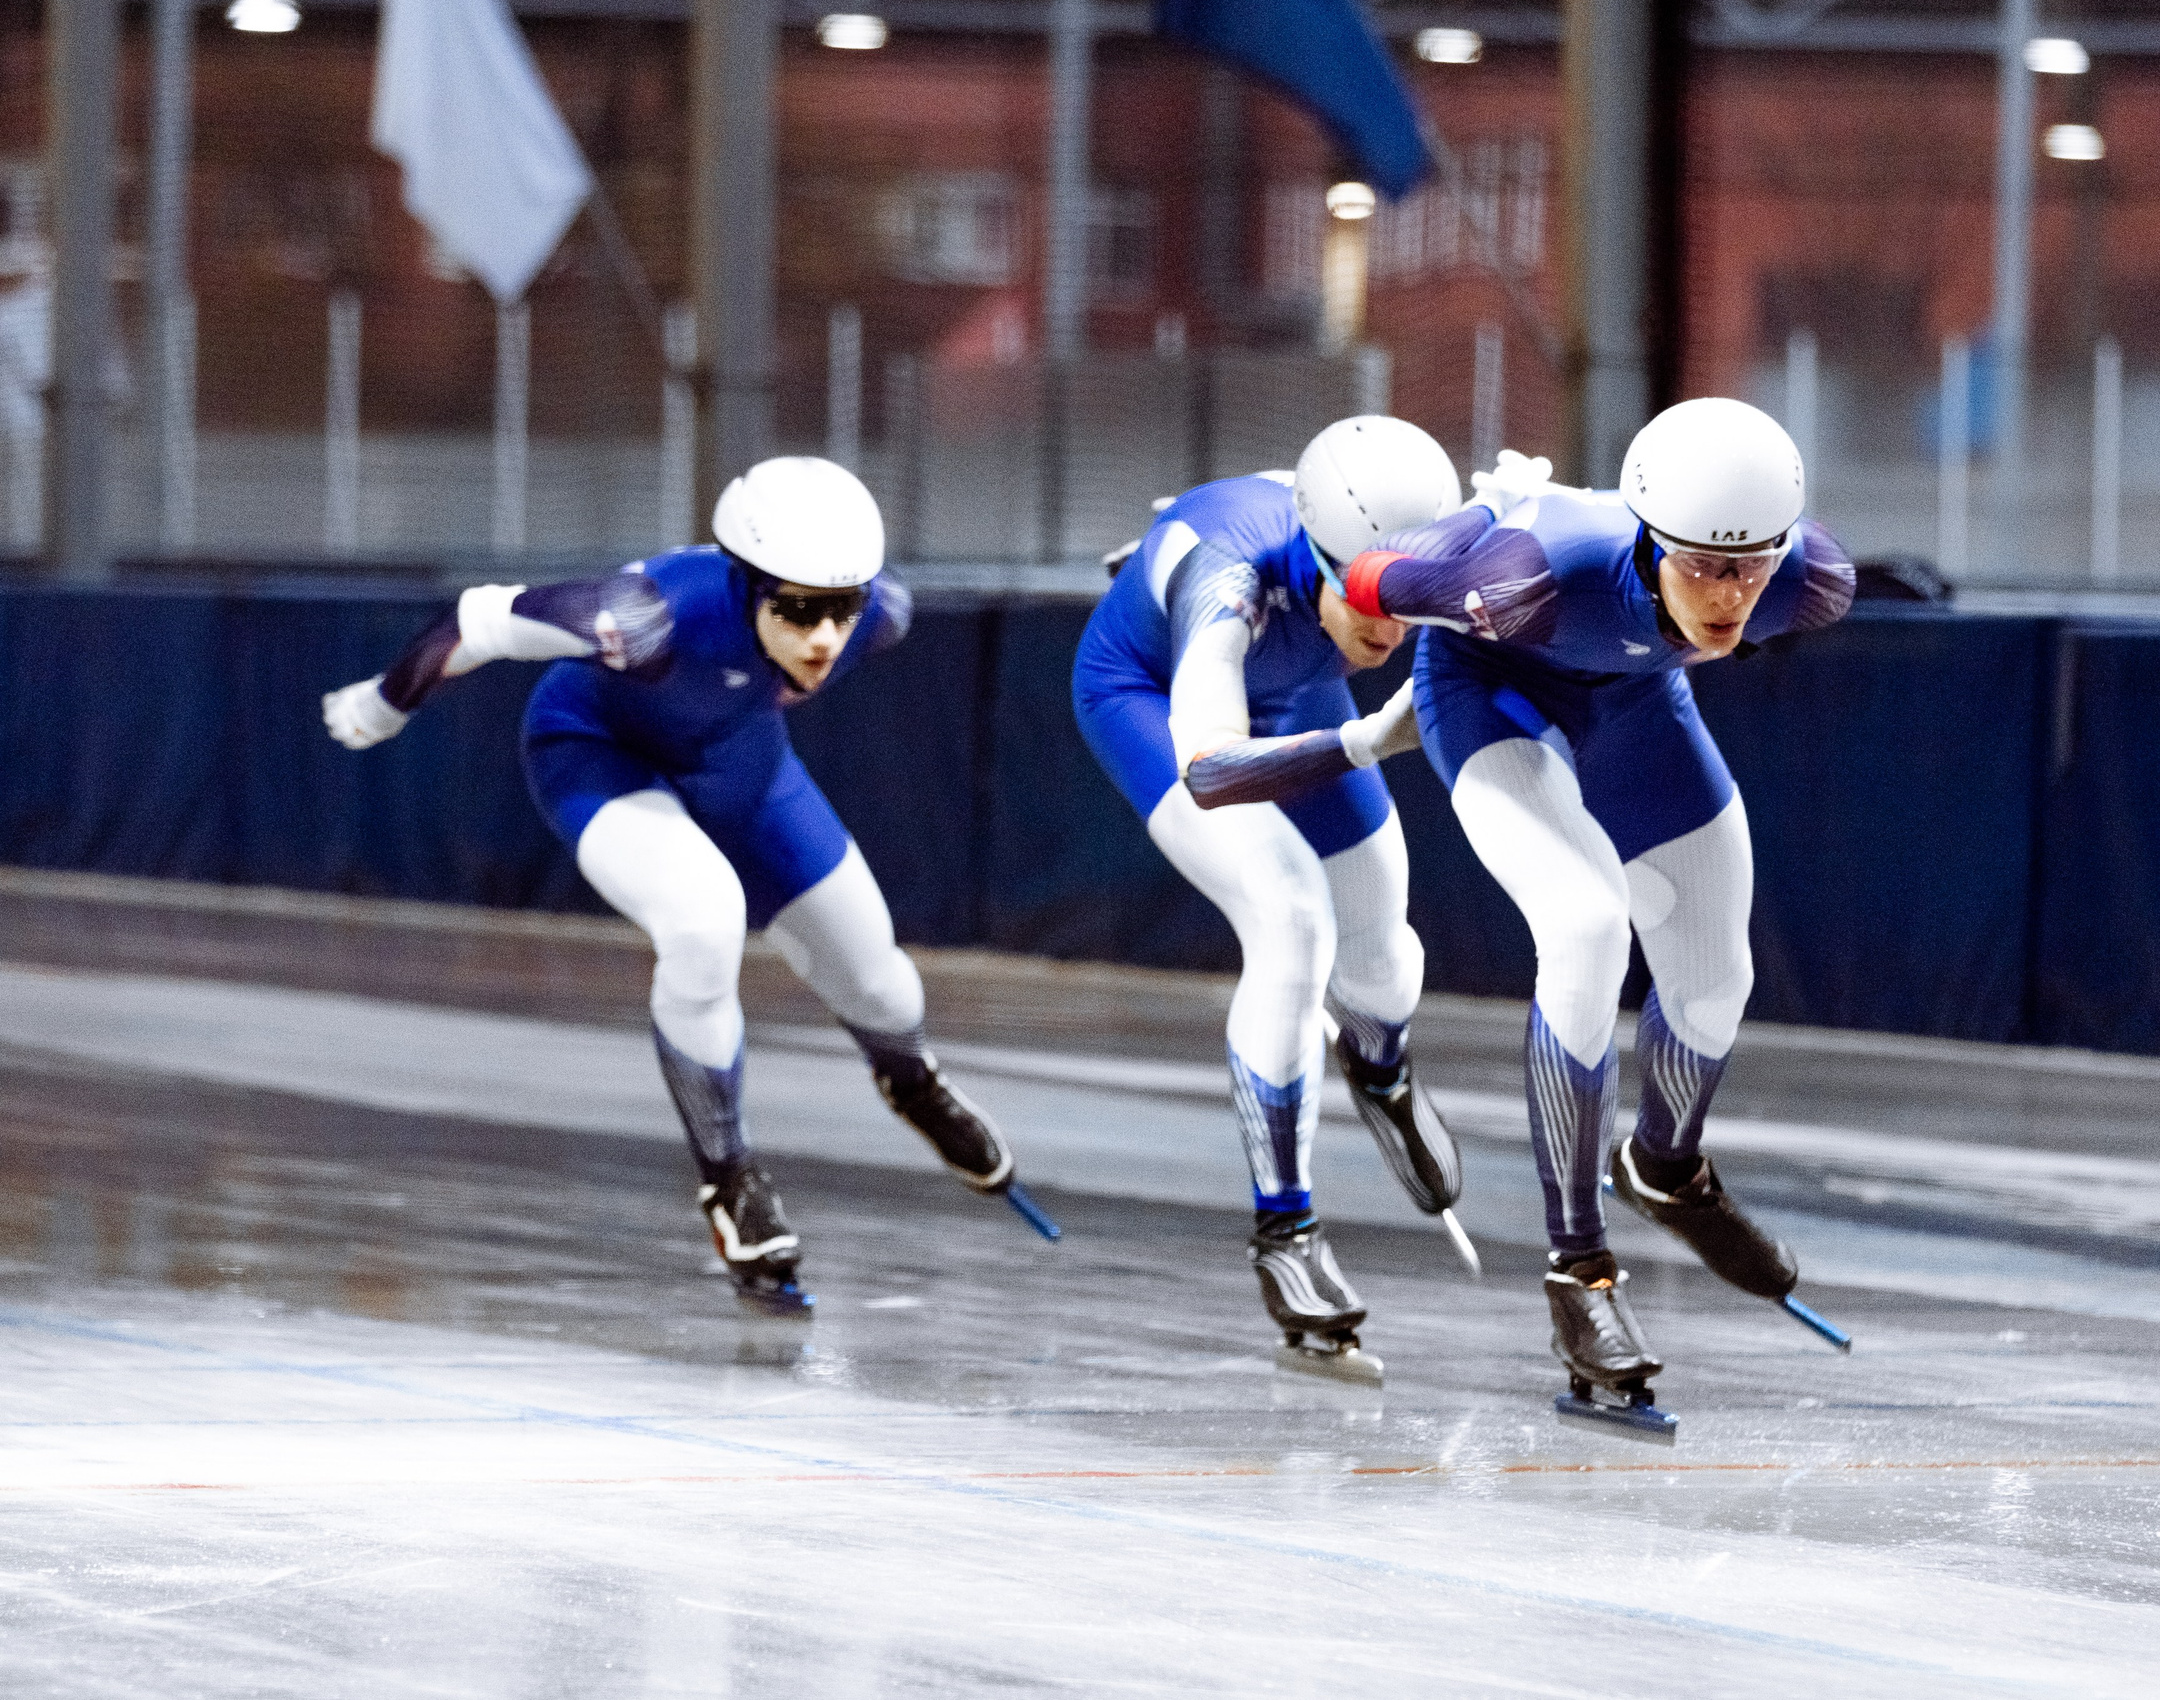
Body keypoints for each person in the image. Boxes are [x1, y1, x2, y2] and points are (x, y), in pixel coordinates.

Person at [320, 457, 1047, 1315]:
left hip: (738, 761)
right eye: (800, 610)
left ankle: (911, 1078)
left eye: (839, 609)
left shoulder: (881, 616)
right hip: (598, 750)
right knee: (705, 921)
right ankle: (729, 1179)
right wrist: (387, 698)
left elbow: (817, 635)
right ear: (746, 589)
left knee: (878, 976)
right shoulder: (644, 619)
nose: (824, 637)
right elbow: (479, 621)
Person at [1327, 398, 1857, 1433]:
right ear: (1653, 539)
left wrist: (1728, 582)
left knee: (1716, 975)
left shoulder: (1812, 582)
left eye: (1749, 566)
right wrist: (1463, 540)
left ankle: (1664, 1166)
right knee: (1583, 923)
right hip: (1489, 687)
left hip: (1633, 705)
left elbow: (1741, 584)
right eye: (1703, 564)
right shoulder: (1529, 571)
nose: (1730, 593)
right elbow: (1364, 576)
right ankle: (1579, 1272)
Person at [1070, 416, 1471, 1382]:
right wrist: (1366, 744)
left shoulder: (1392, 557)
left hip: (1296, 682)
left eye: (1410, 601)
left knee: (1380, 933)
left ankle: (1380, 1066)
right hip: (1157, 696)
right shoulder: (1230, 589)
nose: (1391, 627)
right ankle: (1285, 1229)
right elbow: (1209, 769)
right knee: (1293, 924)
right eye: (1367, 598)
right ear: (1314, 556)